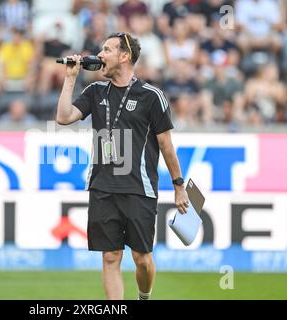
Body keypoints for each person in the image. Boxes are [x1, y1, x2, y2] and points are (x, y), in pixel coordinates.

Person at [55, 32, 189, 300]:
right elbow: (63, 117)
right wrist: (70, 79)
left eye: (107, 50)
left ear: (125, 56)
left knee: (142, 258)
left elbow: (166, 146)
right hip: (102, 186)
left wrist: (179, 186)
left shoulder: (152, 96)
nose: (100, 55)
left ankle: (144, 296)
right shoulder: (94, 91)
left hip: (139, 188)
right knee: (110, 256)